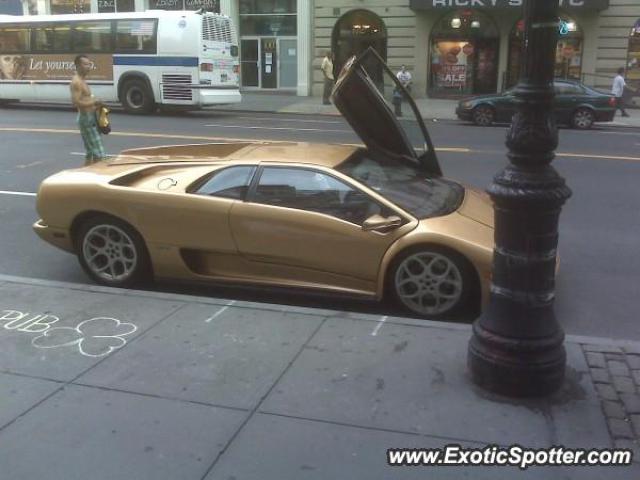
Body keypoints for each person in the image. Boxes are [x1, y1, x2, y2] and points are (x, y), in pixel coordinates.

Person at [70, 54, 107, 165]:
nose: (88, 66)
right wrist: (94, 102)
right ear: (78, 66)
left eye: (89, 64)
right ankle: (97, 176)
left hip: (91, 117)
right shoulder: (76, 82)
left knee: (91, 153)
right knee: (99, 154)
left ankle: (84, 177)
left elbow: (84, 98)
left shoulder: (82, 80)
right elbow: (76, 102)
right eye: (85, 64)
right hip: (86, 119)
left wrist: (96, 103)